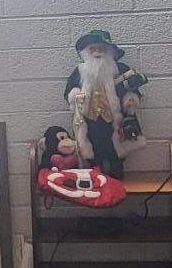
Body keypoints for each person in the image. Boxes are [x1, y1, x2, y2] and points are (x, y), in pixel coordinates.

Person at [62, 28, 147, 172]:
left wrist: (130, 100)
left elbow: (132, 91)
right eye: (93, 49)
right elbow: (69, 92)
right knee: (94, 147)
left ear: (108, 51)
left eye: (101, 48)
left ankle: (116, 171)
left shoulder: (120, 69)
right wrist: (75, 96)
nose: (97, 52)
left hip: (113, 120)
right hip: (91, 120)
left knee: (115, 147)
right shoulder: (80, 72)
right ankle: (97, 171)